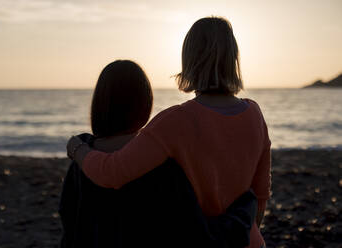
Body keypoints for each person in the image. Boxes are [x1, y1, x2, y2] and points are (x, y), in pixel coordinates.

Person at [69, 17, 272, 245]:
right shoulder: (255, 114)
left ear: (189, 59)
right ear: (234, 58)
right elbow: (260, 196)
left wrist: (78, 148)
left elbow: (112, 173)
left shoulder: (175, 121)